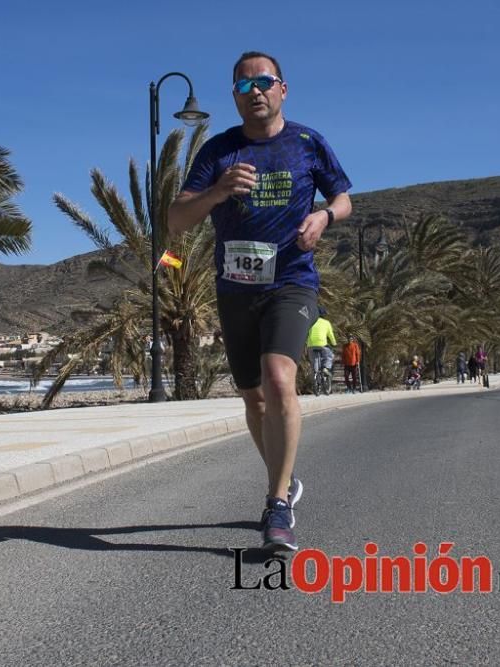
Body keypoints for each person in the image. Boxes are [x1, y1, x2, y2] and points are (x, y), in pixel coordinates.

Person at [168, 51, 352, 552]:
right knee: (252, 396)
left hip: (292, 281)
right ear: (234, 96)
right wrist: (217, 192)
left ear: (283, 88)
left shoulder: (308, 143)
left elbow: (343, 198)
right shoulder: (218, 151)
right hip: (235, 289)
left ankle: (276, 507)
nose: (256, 91)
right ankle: (285, 481)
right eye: (245, 85)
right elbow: (177, 220)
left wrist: (324, 219)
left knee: (278, 379)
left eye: (264, 82)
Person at [306, 306, 337, 383]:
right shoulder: (326, 323)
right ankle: (325, 368)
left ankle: (316, 380)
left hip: (311, 345)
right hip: (322, 344)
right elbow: (330, 335)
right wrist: (334, 343)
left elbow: (306, 334)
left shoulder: (310, 322)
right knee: (330, 355)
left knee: (314, 361)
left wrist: (307, 343)